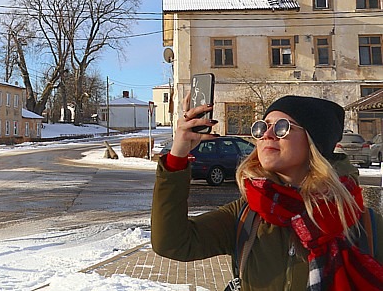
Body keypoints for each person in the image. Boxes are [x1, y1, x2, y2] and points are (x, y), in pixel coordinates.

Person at [151, 94, 383, 291]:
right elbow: (173, 243)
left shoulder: (365, 224)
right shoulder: (247, 215)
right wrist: (177, 156)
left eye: (282, 127)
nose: (267, 135)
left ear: (315, 143)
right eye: (262, 126)